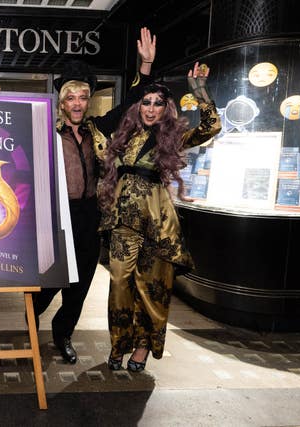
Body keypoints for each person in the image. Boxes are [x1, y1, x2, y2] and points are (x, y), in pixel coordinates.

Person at [32, 27, 157, 364]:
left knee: (80, 286)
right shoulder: (45, 131)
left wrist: (144, 69)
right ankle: (30, 323)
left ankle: (63, 334)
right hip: (57, 217)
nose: (77, 103)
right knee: (47, 284)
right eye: (71, 97)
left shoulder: (96, 128)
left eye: (83, 97)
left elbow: (130, 106)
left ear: (88, 101)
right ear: (62, 100)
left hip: (90, 217)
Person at [98, 62, 222, 372]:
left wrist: (200, 91)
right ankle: (120, 341)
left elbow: (211, 127)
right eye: (146, 102)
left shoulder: (172, 137)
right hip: (123, 223)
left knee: (152, 288)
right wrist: (144, 67)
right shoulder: (122, 135)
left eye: (158, 103)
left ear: (166, 109)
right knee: (119, 283)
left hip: (158, 225)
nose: (151, 109)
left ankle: (142, 346)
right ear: (138, 105)